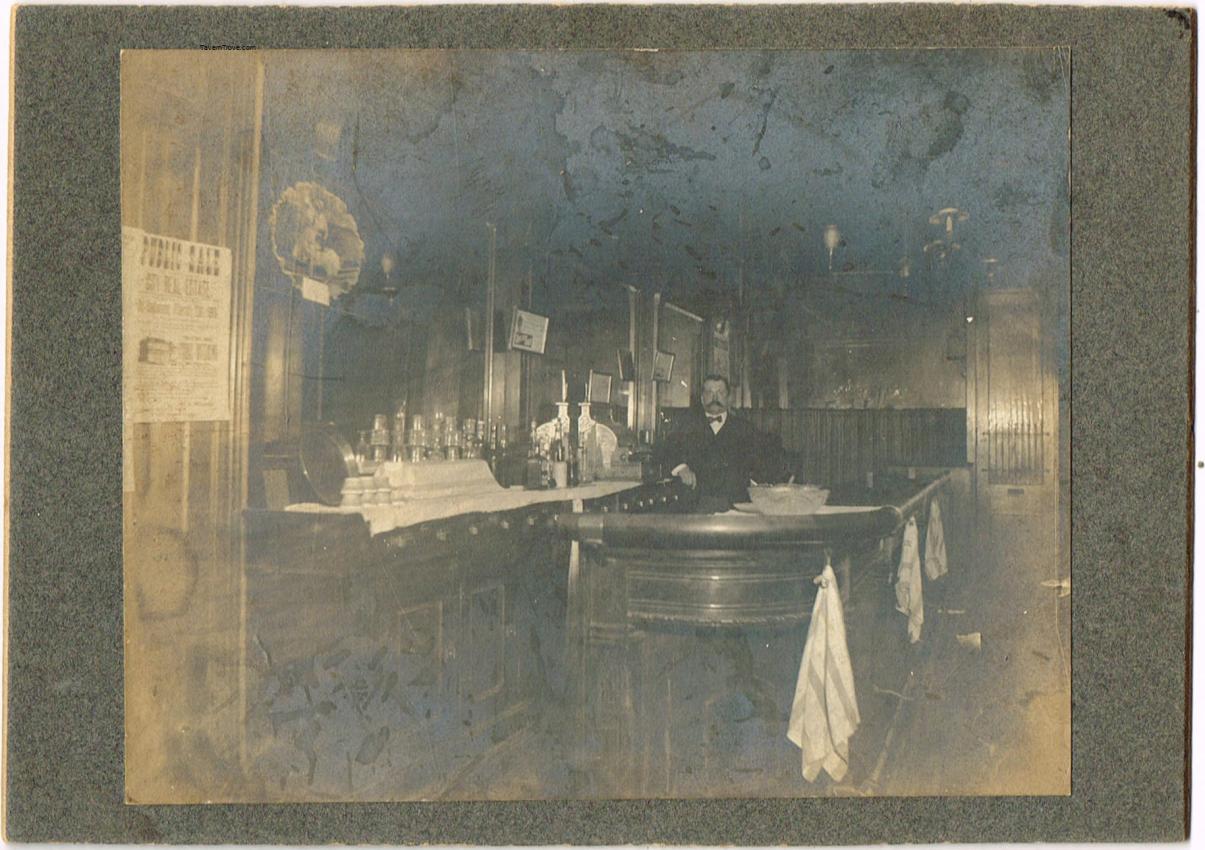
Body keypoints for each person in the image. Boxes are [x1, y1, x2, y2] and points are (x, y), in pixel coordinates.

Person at [655, 373, 786, 513]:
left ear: (729, 398)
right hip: (694, 506)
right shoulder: (686, 426)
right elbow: (664, 450)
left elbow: (763, 461)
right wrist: (681, 468)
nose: (715, 398)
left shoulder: (745, 429)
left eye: (720, 392)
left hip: (735, 506)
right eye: (709, 392)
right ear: (701, 398)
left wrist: (756, 483)